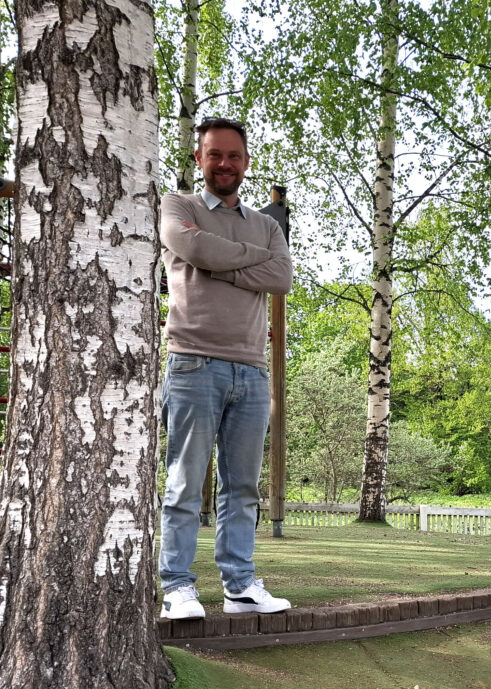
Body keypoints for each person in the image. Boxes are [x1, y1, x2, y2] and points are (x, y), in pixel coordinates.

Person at [158, 117, 293, 620]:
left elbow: (281, 276)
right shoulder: (179, 207)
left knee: (242, 488)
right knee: (184, 483)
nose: (224, 164)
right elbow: (190, 245)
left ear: (246, 163)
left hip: (252, 371)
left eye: (233, 156)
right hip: (192, 361)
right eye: (214, 154)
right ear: (199, 159)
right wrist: (246, 263)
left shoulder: (267, 225)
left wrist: (218, 261)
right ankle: (177, 588)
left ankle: (239, 587)